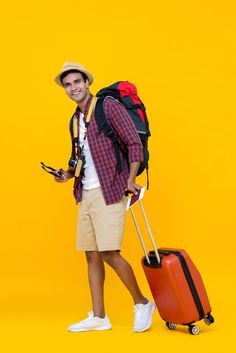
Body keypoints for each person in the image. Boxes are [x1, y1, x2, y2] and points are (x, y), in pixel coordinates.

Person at [53, 62, 155, 332]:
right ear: (64, 89)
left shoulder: (107, 107)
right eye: (68, 84)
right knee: (92, 255)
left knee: (109, 252)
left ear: (87, 83)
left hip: (110, 188)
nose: (73, 87)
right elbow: (80, 157)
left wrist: (131, 179)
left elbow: (134, 143)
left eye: (77, 81)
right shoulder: (75, 120)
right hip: (84, 191)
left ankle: (142, 302)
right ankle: (99, 317)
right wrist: (66, 174)